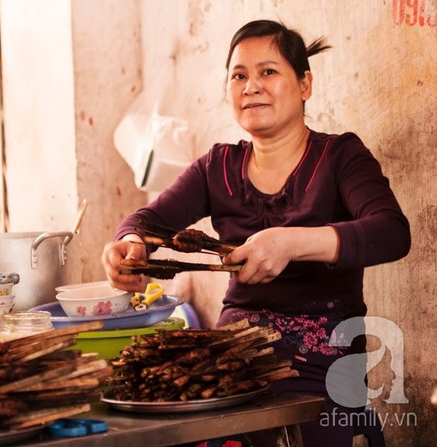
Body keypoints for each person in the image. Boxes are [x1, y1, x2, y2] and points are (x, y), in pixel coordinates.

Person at [101, 19, 411, 446]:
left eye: (268, 71)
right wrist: (130, 244)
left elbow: (392, 232)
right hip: (234, 354)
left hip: (324, 360)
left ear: (305, 83)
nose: (251, 86)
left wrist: (291, 242)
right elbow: (146, 222)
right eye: (239, 75)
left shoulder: (340, 157)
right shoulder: (217, 167)